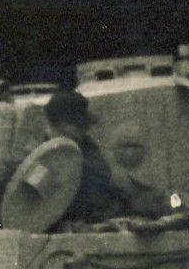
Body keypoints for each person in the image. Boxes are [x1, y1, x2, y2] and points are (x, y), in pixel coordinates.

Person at [43, 89, 129, 224]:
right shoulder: (36, 151)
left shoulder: (85, 146)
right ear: (63, 126)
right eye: (81, 126)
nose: (85, 130)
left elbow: (101, 172)